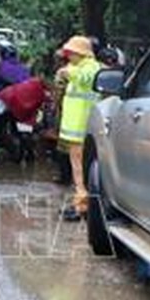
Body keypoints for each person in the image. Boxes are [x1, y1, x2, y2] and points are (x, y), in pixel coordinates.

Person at [55, 35, 100, 221]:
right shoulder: (75, 67)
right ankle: (79, 203)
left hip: (82, 129)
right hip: (73, 130)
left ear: (81, 53)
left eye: (71, 52)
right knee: (77, 169)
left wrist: (68, 73)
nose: (68, 56)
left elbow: (84, 79)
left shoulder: (91, 67)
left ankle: (82, 206)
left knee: (80, 169)